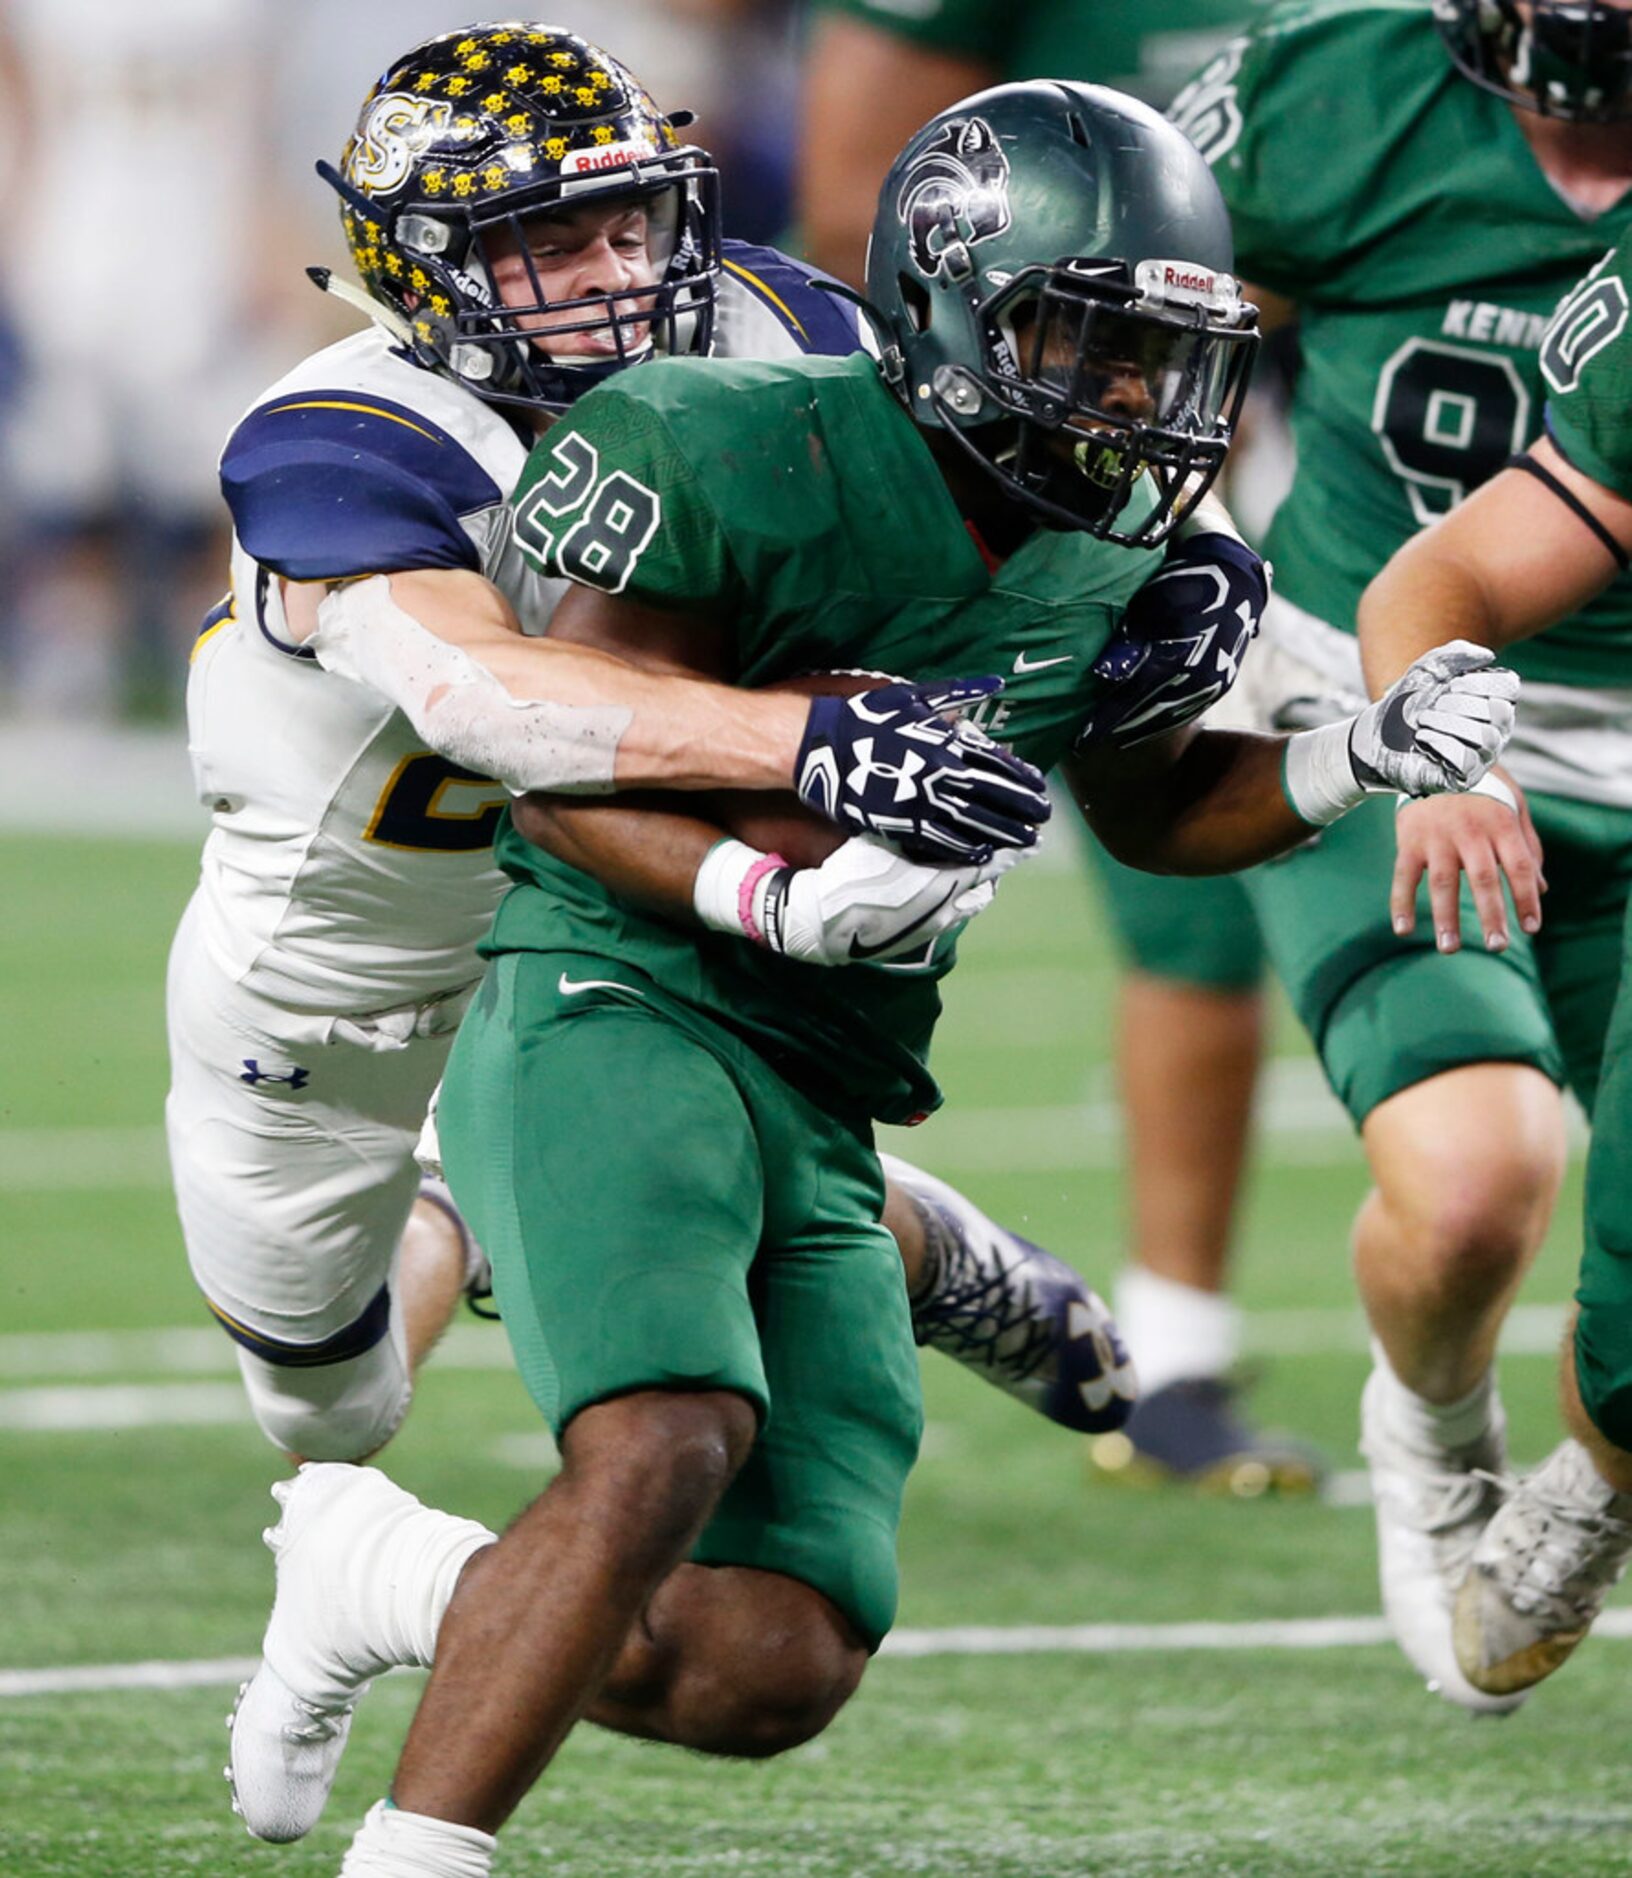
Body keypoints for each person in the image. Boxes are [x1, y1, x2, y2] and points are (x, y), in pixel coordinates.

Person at [225, 82, 1517, 1875]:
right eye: (1092, 341)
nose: (1142, 399)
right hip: (557, 962)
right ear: (962, 307)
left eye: (1168, 352)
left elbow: (1152, 812)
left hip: (823, 1066)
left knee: (774, 1659)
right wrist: (782, 862)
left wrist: (1352, 757)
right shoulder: (705, 434)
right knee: (618, 1426)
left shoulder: (1123, 532)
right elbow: (555, 767)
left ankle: (389, 1568)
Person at [169, 20, 1193, 1514]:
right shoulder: (350, 440)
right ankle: (889, 1231)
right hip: (349, 961)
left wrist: (1198, 557)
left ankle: (851, 1224)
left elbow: (1006, 414)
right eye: (544, 242)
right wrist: (814, 739)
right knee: (334, 1411)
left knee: (715, 1208)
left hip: (623, 903)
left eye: (627, 220)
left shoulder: (778, 329)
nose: (612, 273)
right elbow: (487, 699)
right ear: (420, 267)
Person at [1159, 0, 1632, 1710]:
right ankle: (1435, 1429)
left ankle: (1598, 1478)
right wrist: (1178, 562)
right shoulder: (1329, 90)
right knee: (1472, 1188)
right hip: (1376, 699)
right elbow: (1133, 321)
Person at [797, 0, 1306, 1498]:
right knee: (795, 863)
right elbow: (854, 203)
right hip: (952, 429)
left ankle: (1174, 1341)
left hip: (1174, 418)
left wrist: (1178, 324)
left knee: (1184, 851)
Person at [1353, 221, 1632, 1697]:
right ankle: (1465, 1445)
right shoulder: (1334, 99)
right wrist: (1440, 739)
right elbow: (1454, 560)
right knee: (1478, 1188)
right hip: (1400, 729)